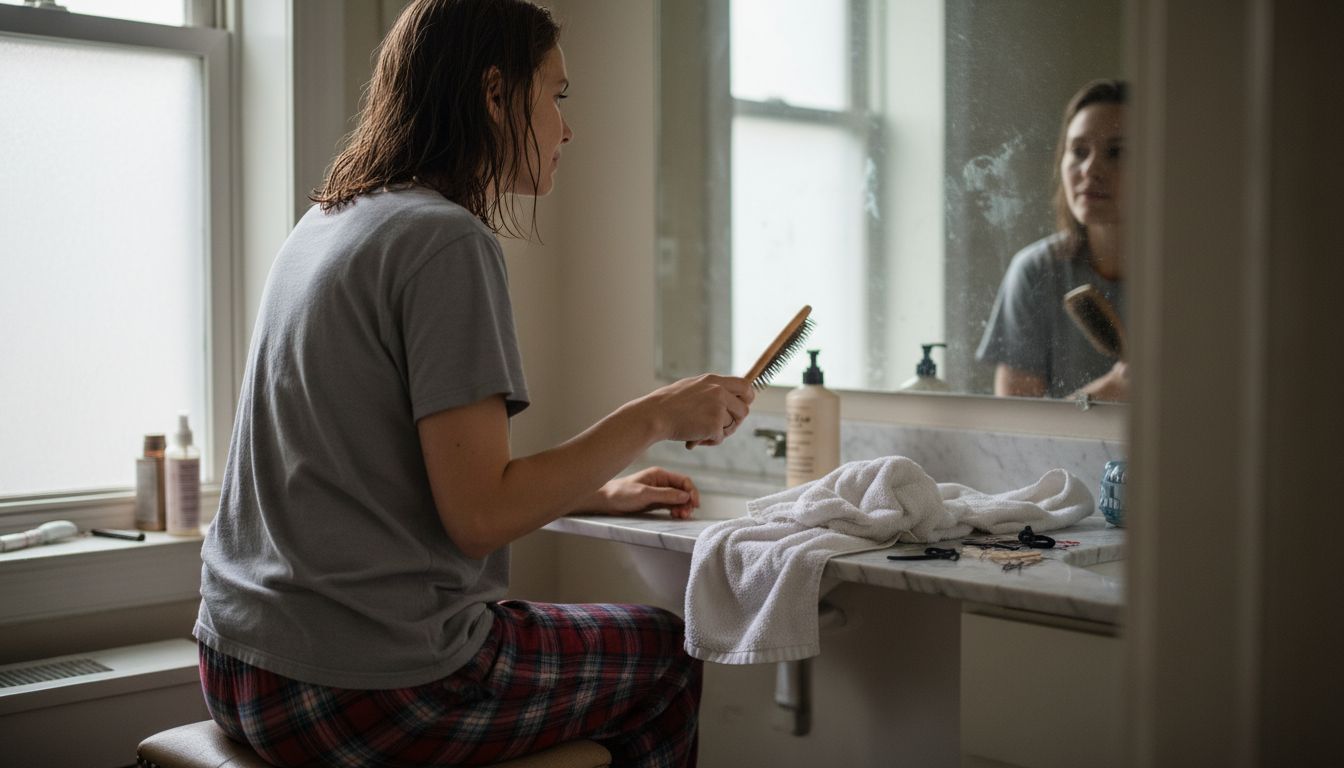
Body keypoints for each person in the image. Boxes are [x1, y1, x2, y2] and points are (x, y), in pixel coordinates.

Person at [193, 1, 753, 766]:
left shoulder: (329, 222)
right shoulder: (444, 239)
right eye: (555, 95)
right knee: (665, 655)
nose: (568, 127)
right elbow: (480, 517)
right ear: (494, 95)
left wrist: (596, 491)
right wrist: (654, 415)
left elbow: (394, 478)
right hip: (361, 688)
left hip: (236, 663)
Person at [977, 80, 1129, 401]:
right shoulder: (1035, 271)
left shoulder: (1189, 276)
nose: (1090, 169)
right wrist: (1108, 391)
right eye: (1078, 151)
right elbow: (1017, 428)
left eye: (1116, 152)